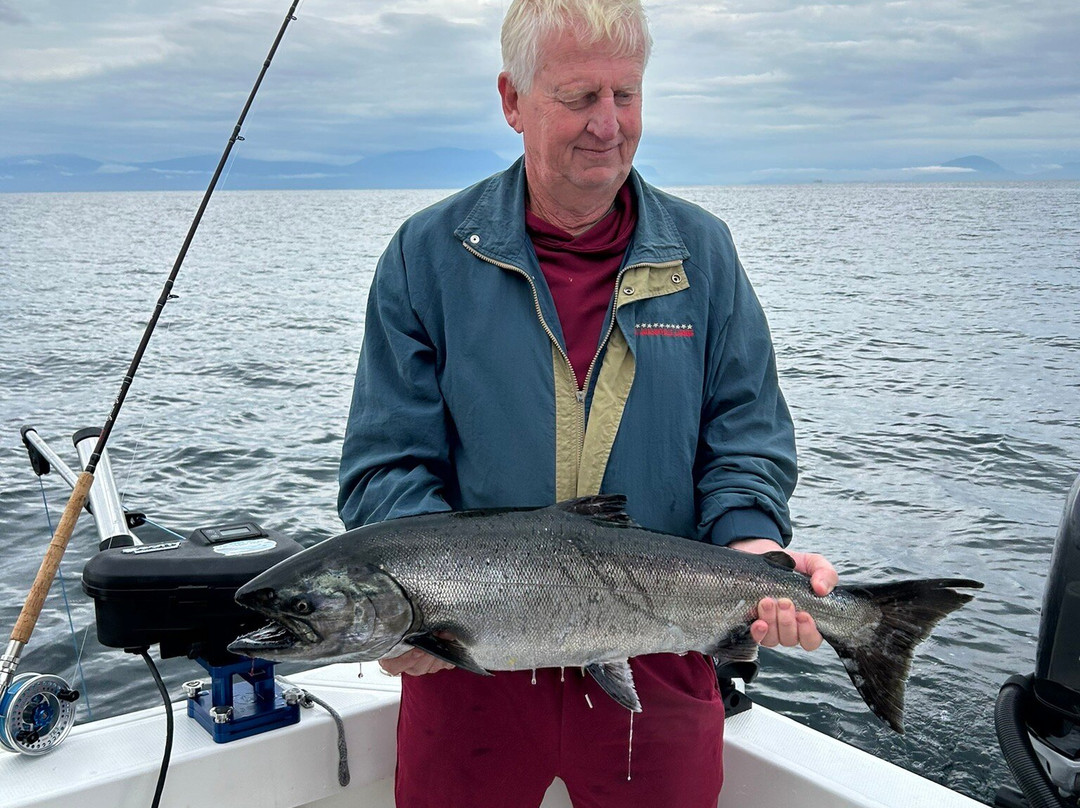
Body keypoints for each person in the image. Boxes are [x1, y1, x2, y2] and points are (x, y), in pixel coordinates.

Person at [338, 0, 838, 805]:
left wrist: (748, 543)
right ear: (513, 101)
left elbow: (746, 434)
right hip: (470, 664)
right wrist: (415, 603)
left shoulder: (702, 253)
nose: (609, 125)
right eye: (579, 98)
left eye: (626, 95)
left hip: (662, 658)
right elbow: (388, 462)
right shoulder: (426, 255)